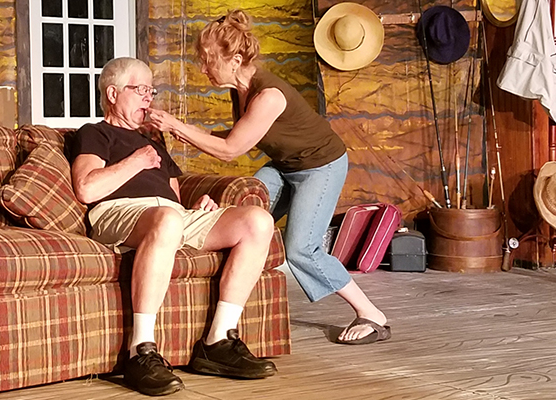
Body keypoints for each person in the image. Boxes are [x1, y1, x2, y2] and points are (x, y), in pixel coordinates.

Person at [148, 9, 391, 346]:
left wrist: (177, 127)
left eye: (208, 60)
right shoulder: (240, 91)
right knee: (235, 215)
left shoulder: (268, 95)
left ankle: (371, 315)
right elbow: (239, 134)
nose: (203, 69)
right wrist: (183, 132)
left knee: (301, 249)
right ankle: (227, 314)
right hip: (285, 164)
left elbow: (232, 149)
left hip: (320, 166)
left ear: (234, 60)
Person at [70, 57, 277, 397]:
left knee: (257, 221)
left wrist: (195, 210)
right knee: (166, 220)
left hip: (167, 216)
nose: (148, 98)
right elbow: (87, 189)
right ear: (112, 93)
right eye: (140, 90)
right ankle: (140, 351)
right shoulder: (95, 133)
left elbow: (173, 201)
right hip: (117, 213)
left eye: (151, 91)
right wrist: (137, 160)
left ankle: (218, 342)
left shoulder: (155, 139)